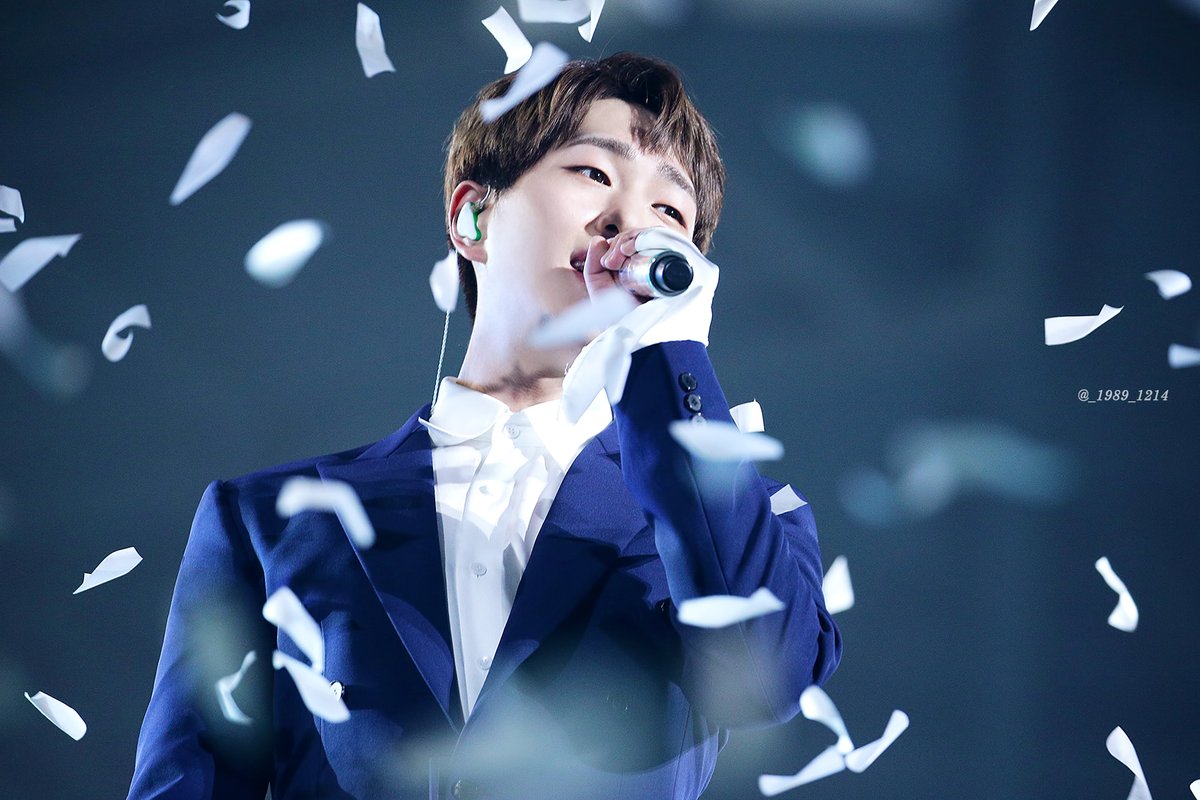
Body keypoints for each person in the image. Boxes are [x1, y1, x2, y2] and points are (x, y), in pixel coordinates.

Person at [128, 52, 841, 800]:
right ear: (472, 217)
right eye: (594, 172)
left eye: (670, 212)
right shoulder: (268, 518)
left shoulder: (742, 519)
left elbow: (766, 681)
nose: (629, 223)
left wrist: (672, 358)